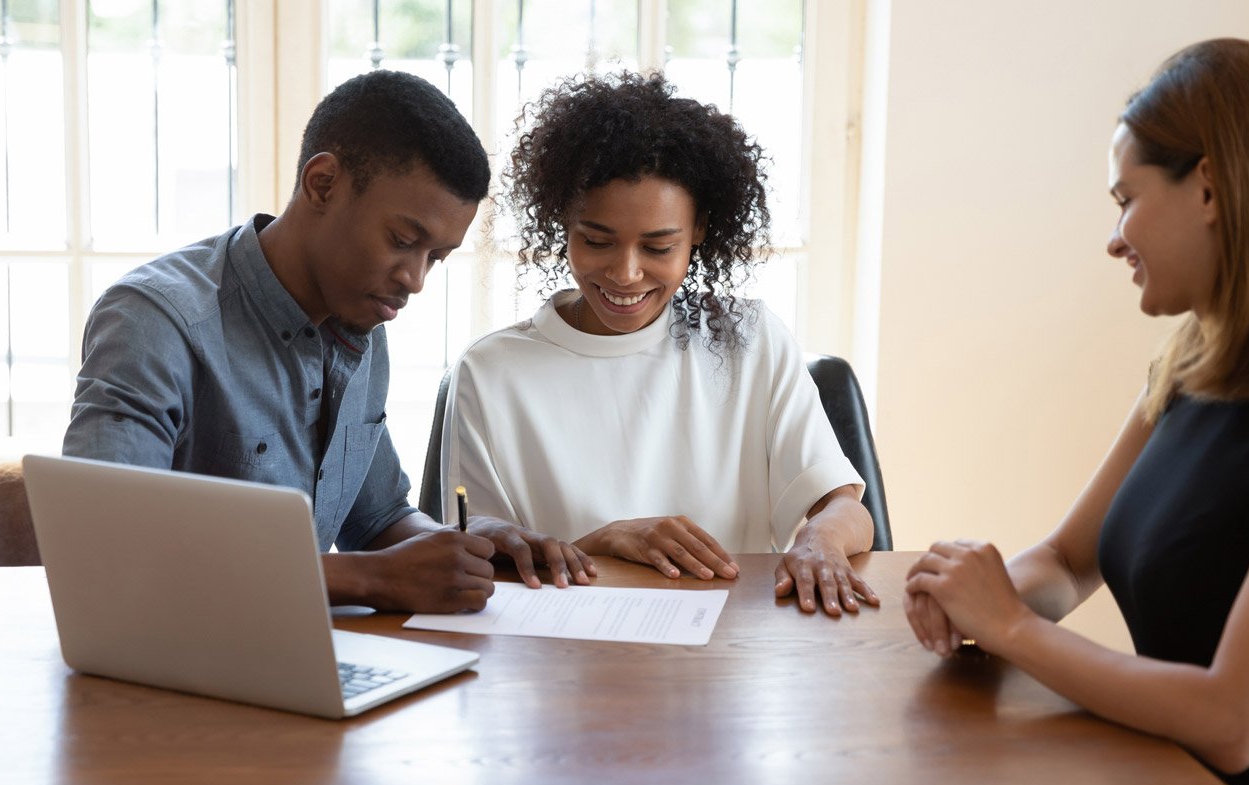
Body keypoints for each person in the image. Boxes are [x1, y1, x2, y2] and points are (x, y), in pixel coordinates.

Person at [904, 39, 1249, 785]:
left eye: (1126, 197)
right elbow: (1066, 559)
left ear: (1212, 188)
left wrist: (1014, 628)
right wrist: (972, 602)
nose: (1115, 238)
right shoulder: (1193, 363)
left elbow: (1234, 720)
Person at [64, 70, 589, 614]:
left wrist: (471, 545)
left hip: (299, 656)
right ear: (322, 184)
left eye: (436, 257)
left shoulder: (360, 317)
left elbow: (379, 520)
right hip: (166, 667)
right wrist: (368, 579)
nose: (415, 279)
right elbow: (108, 549)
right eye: (403, 241)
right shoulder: (155, 320)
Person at [440, 72, 877, 615]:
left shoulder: (747, 341)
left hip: (727, 652)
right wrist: (601, 541)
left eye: (658, 246)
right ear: (563, 225)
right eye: (596, 240)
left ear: (698, 231)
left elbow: (846, 507)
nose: (626, 273)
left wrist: (819, 540)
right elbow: (475, 551)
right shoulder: (490, 373)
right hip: (562, 659)